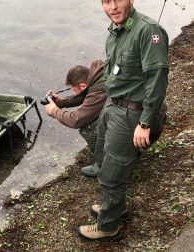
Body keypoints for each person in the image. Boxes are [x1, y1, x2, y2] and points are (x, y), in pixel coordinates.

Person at [77, 0, 169, 241]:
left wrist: (145, 123)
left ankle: (108, 226)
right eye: (106, 1)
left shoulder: (148, 30)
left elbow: (157, 80)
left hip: (132, 113)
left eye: (117, 0)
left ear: (130, 0)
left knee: (112, 172)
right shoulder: (115, 30)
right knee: (102, 157)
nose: (112, 7)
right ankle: (117, 207)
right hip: (114, 105)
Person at [44, 59, 107, 160]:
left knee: (87, 130)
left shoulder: (99, 90)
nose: (73, 91)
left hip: (127, 118)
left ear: (83, 85)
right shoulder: (98, 73)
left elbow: (76, 120)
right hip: (123, 108)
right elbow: (85, 95)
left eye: (73, 89)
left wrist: (53, 110)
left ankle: (103, 162)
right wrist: (60, 102)